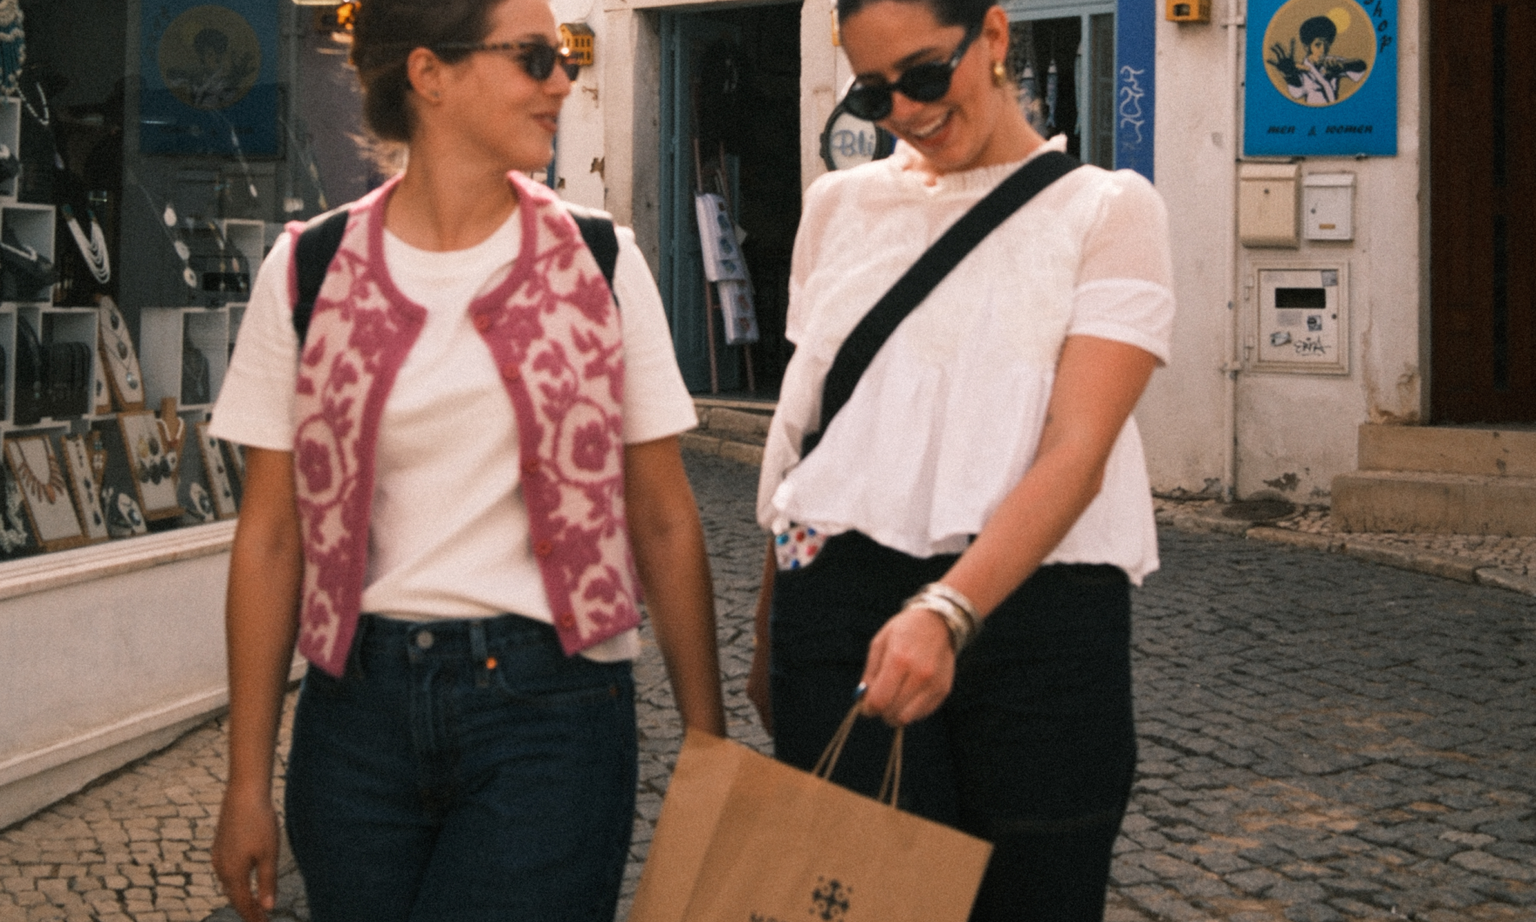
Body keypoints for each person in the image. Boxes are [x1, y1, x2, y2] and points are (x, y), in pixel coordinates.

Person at [208, 1, 726, 920]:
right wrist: (247, 782)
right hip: (353, 721)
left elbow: (661, 513)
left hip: (552, 711)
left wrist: (706, 739)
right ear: (429, 74)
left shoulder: (603, 261)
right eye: (534, 58)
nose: (563, 80)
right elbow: (270, 536)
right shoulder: (307, 271)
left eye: (566, 54)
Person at [747, 0, 1174, 919]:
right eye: (873, 91)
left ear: (993, 35)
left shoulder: (1108, 210)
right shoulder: (838, 208)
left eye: (925, 75)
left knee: (1036, 894)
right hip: (836, 608)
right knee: (860, 898)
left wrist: (947, 610)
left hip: (1039, 612)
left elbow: (1078, 447)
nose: (904, 108)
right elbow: (813, 430)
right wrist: (772, 618)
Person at [1268, 15, 1368, 106]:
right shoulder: (1300, 70)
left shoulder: (1332, 62)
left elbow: (1361, 66)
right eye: (1318, 44)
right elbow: (1296, 93)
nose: (1323, 50)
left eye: (1327, 44)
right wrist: (1289, 74)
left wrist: (1343, 67)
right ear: (1306, 47)